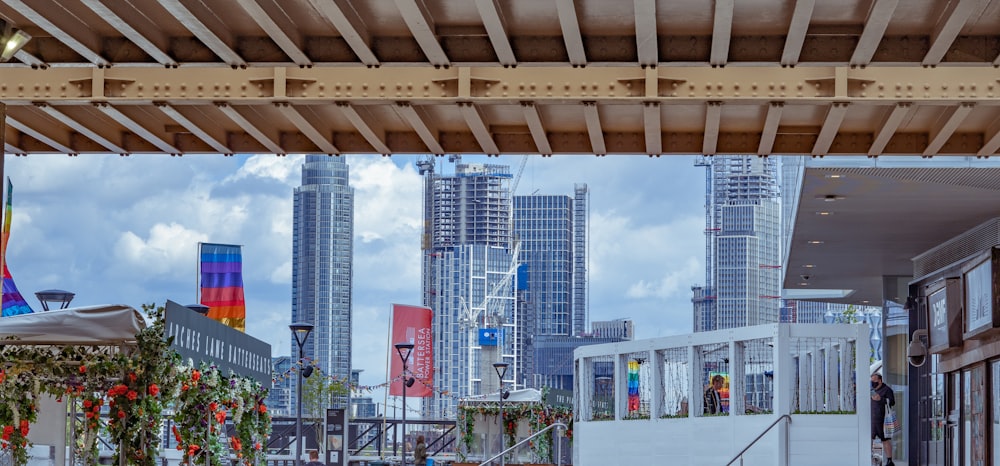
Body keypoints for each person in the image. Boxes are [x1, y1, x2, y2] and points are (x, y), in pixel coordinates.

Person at [871, 373, 896, 466]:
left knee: (885, 439)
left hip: (883, 419)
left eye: (874, 381)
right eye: (871, 381)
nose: (872, 383)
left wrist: (881, 399)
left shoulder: (887, 390)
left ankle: (889, 460)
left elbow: (892, 402)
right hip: (872, 419)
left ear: (880, 381)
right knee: (870, 438)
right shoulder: (871, 390)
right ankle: (869, 457)